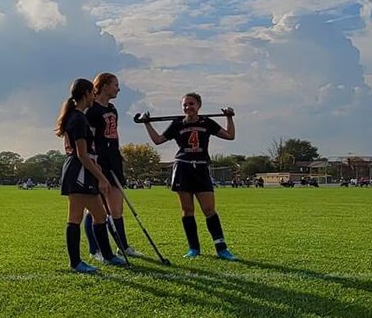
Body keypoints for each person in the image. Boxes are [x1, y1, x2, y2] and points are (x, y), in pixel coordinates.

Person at [140, 93, 238, 260]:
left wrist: (229, 117)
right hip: (183, 168)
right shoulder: (177, 124)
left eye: (191, 104)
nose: (188, 107)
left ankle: (221, 248)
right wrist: (146, 123)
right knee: (187, 210)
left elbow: (230, 135)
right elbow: (157, 140)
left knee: (209, 209)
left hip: (200, 168)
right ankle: (194, 248)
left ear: (198, 105)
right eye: (185, 105)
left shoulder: (207, 123)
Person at [56, 78, 126, 273]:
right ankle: (76, 262)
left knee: (100, 215)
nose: (94, 95)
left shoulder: (77, 116)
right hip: (79, 171)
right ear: (87, 93)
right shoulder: (78, 118)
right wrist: (102, 178)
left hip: (80, 170)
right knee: (75, 218)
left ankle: (108, 256)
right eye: (92, 92)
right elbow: (82, 154)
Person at [83, 73, 138, 260]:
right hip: (98, 162)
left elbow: (113, 136)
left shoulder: (113, 109)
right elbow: (88, 140)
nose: (118, 89)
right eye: (115, 85)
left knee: (116, 209)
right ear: (104, 86)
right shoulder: (91, 111)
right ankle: (94, 249)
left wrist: (117, 155)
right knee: (95, 209)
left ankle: (123, 246)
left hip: (113, 161)